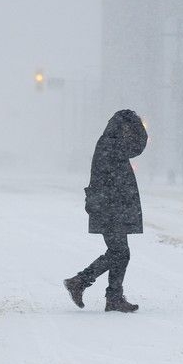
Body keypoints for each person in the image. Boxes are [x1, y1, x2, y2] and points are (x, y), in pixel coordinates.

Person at [64, 109, 148, 313]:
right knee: (119, 252)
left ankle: (111, 296)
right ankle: (81, 283)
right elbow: (136, 147)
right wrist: (142, 133)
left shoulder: (109, 142)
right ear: (122, 127)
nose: (131, 133)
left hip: (110, 207)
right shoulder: (111, 144)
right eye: (130, 128)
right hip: (109, 208)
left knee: (119, 252)